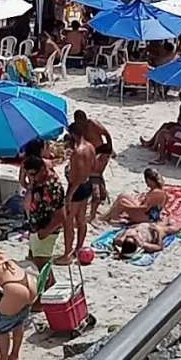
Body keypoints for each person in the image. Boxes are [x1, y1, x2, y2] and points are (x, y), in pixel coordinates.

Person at [57, 122, 95, 265]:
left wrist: (69, 195)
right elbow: (93, 166)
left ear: (73, 134)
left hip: (76, 187)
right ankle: (79, 248)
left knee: (68, 221)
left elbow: (75, 177)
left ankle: (67, 254)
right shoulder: (90, 147)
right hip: (87, 184)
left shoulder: (77, 153)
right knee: (81, 219)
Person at [24, 156, 66, 269]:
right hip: (36, 227)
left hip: (46, 230)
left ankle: (48, 285)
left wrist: (44, 232)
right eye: (28, 174)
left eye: (33, 174)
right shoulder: (38, 181)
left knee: (40, 267)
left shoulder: (52, 187)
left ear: (42, 169)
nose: (31, 177)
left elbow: (61, 216)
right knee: (35, 263)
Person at [71, 109, 113, 219]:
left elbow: (106, 133)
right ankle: (102, 194)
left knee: (94, 173)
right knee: (96, 173)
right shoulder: (78, 128)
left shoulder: (92, 124)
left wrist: (109, 147)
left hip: (102, 150)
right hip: (92, 152)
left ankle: (97, 197)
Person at [100, 168, 170, 224]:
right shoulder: (161, 191)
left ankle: (112, 218)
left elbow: (144, 208)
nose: (146, 183)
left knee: (122, 202)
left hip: (147, 217)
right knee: (123, 196)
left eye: (147, 181)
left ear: (150, 180)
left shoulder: (155, 192)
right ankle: (109, 215)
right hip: (149, 215)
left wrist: (127, 207)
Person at [113, 217, 181, 256]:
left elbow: (117, 239)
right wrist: (157, 234)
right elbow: (159, 247)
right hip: (155, 232)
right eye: (133, 239)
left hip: (145, 225)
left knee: (167, 220)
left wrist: (126, 234)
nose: (132, 237)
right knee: (173, 229)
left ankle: (169, 221)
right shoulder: (143, 244)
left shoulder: (122, 240)